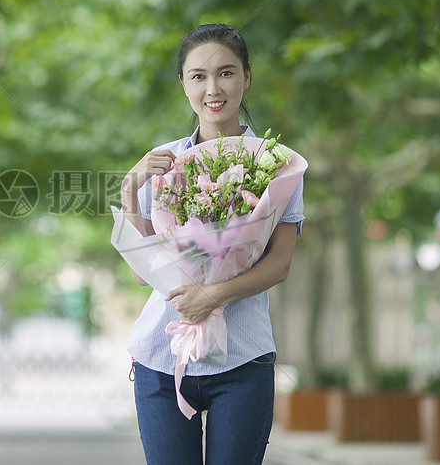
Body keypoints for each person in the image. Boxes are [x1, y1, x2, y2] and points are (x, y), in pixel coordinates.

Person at [119, 23, 305, 465]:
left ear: (247, 76)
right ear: (183, 84)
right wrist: (130, 191)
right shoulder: (161, 163)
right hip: (163, 361)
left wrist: (213, 296)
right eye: (198, 76)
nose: (213, 88)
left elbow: (279, 265)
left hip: (243, 361)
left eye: (226, 72)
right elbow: (140, 273)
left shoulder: (277, 166)